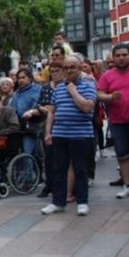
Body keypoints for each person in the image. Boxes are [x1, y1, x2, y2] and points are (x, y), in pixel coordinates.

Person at [41, 56, 96, 216]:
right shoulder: (58, 88)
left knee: (80, 170)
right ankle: (58, 202)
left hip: (81, 135)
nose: (69, 70)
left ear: (79, 68)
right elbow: (52, 110)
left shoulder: (88, 85)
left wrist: (73, 92)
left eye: (72, 67)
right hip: (60, 134)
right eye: (66, 68)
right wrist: (48, 132)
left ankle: (82, 202)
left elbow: (87, 108)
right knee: (59, 170)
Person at [97, 43, 129, 199]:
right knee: (123, 155)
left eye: (124, 55)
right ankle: (128, 185)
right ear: (113, 58)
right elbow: (99, 93)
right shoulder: (107, 76)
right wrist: (110, 97)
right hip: (118, 121)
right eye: (118, 55)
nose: (121, 58)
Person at [34, 62, 65, 198]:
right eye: (52, 71)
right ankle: (49, 185)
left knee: (62, 158)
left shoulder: (66, 86)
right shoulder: (46, 87)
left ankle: (63, 186)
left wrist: (50, 109)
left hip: (63, 125)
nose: (55, 74)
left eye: (57, 71)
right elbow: (40, 105)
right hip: (47, 125)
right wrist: (47, 109)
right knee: (48, 158)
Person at [11, 68, 43, 156]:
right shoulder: (16, 93)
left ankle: (29, 170)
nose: (20, 80)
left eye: (23, 77)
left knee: (27, 152)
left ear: (30, 78)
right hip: (18, 127)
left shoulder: (37, 89)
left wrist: (30, 112)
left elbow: (37, 106)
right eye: (19, 78)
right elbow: (12, 109)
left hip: (32, 126)